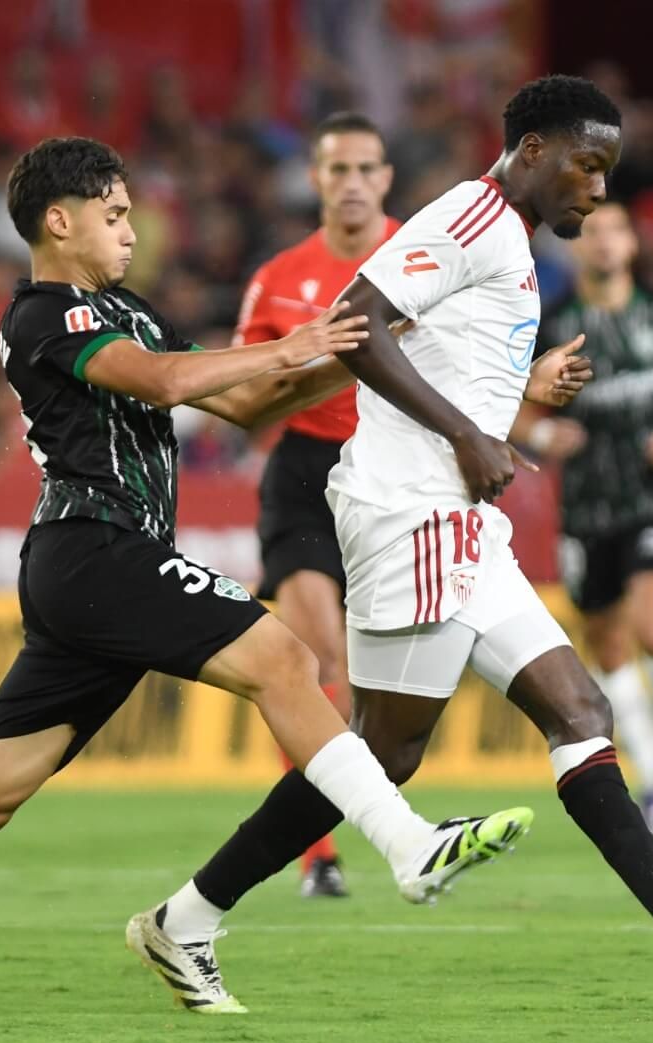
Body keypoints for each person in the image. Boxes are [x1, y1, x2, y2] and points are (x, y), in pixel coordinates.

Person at [0, 137, 538, 1019]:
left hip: (89, 572)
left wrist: (353, 345)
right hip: (97, 548)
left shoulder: (126, 307)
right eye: (116, 214)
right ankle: (404, 845)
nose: (134, 231)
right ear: (61, 221)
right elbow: (167, 383)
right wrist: (297, 344)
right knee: (285, 659)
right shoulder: (42, 316)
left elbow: (243, 406)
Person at [166, 75, 653, 1002]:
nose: (598, 188)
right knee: (382, 753)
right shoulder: (471, 218)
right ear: (535, 151)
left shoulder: (509, 239)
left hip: (459, 521)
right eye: (589, 166)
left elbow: (440, 356)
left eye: (610, 172)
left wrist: (506, 409)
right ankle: (187, 917)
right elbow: (357, 325)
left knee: (579, 710)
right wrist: (471, 435)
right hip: (408, 517)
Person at [233, 111, 400, 899]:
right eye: (339, 169)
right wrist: (305, 368)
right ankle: (318, 854)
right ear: (317, 180)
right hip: (303, 476)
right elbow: (244, 392)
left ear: (387, 179)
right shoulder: (278, 277)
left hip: (394, 474)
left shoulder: (424, 257)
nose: (354, 183)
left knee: (376, 679)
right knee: (314, 662)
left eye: (367, 168)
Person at [527, 201, 653, 837]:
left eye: (615, 230)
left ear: (632, 245)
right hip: (587, 507)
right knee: (609, 646)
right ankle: (651, 778)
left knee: (652, 627)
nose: (604, 242)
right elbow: (507, 400)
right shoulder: (554, 326)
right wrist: (539, 436)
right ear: (576, 248)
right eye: (590, 232)